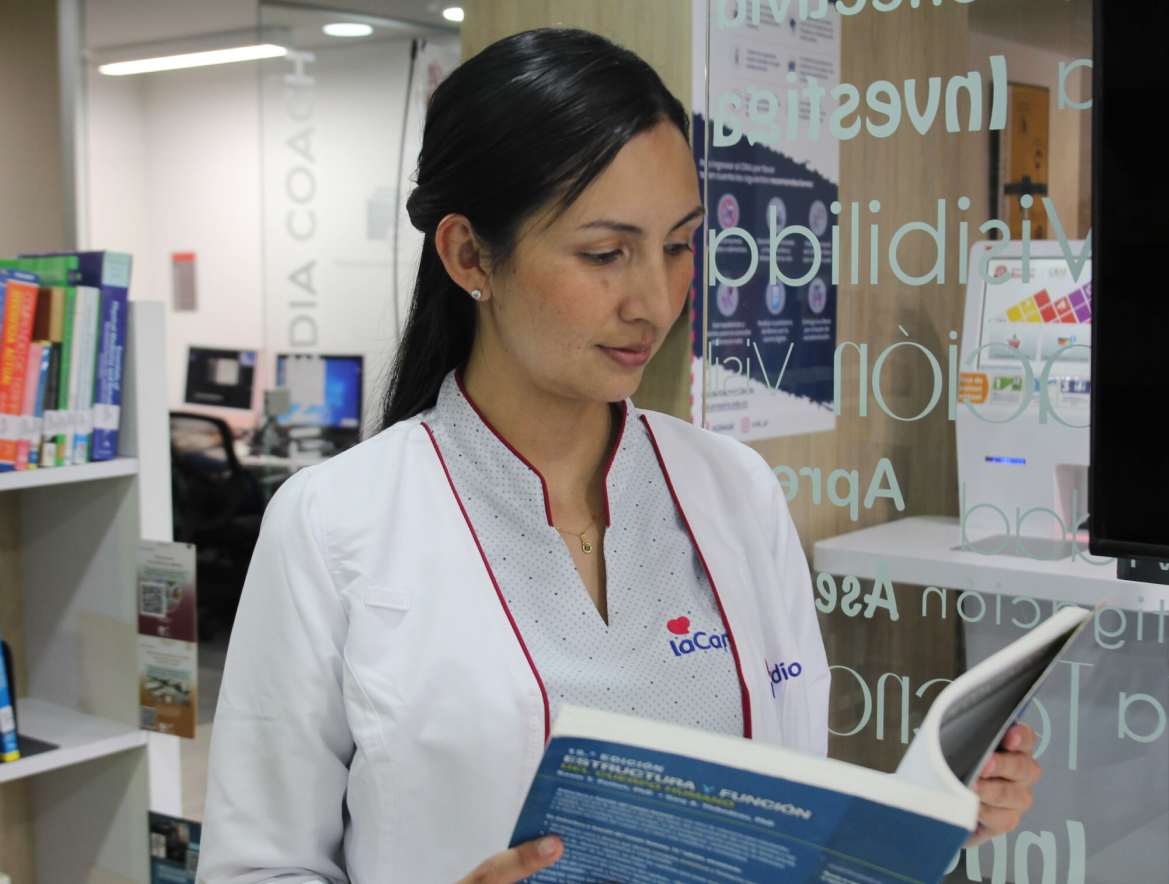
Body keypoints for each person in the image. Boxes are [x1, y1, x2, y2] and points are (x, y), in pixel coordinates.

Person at [196, 26, 1040, 884]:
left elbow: (777, 824)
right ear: (468, 254)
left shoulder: (734, 489)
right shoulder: (333, 524)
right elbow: (255, 868)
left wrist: (917, 824)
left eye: (678, 246)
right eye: (605, 254)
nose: (655, 301)